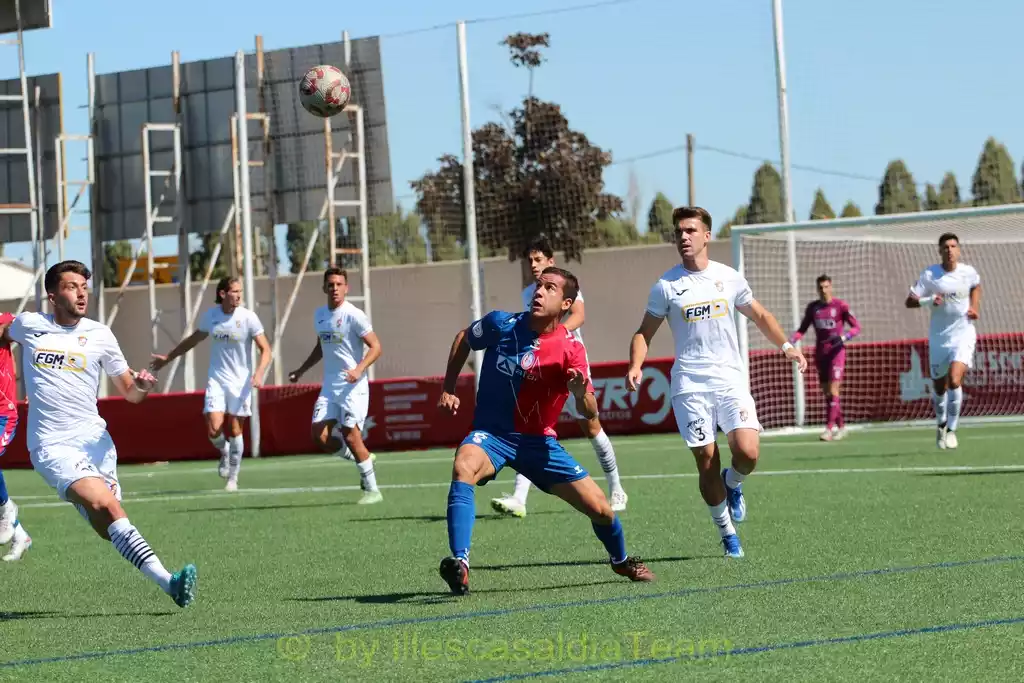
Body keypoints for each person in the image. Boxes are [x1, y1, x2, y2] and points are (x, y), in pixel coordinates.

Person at [436, 266, 655, 595]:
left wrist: (582, 395)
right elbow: (463, 339)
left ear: (566, 304)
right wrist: (448, 387)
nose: (539, 292)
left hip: (539, 445)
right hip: (492, 436)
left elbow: (589, 411)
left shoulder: (570, 349)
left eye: (550, 288)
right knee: (463, 466)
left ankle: (621, 560)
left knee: (602, 510)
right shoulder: (501, 323)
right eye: (539, 286)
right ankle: (461, 565)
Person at [0, 261, 196, 606]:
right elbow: (3, 332)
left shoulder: (101, 335)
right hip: (51, 445)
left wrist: (143, 387)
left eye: (84, 288)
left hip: (96, 444)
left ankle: (161, 577)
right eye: (72, 286)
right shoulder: (30, 325)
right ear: (52, 295)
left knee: (106, 524)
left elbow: (130, 394)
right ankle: (170, 583)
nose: (81, 293)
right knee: (105, 505)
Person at [627, 207, 807, 559]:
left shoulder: (729, 277)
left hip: (729, 379)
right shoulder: (666, 286)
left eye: (691, 230)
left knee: (748, 452)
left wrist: (787, 347)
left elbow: (761, 315)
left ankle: (734, 483)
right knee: (706, 458)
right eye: (679, 231)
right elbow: (643, 332)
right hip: (690, 384)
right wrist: (636, 364)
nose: (683, 237)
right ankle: (727, 533)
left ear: (706, 236)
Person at [490, 237, 628, 518]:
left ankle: (616, 488)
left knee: (590, 427)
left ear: (551, 261)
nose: (534, 265)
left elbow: (579, 315)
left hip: (570, 363)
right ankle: (519, 498)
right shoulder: (530, 292)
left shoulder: (565, 286)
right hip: (541, 365)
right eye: (530, 261)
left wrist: (555, 339)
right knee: (530, 424)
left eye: (539, 260)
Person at [151, 277, 271, 491]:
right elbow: (193, 340)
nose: (238, 295)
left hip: (241, 382)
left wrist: (259, 373)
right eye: (234, 291)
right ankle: (224, 451)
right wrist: (167, 358)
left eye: (240, 291)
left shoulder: (248, 318)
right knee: (214, 427)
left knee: (235, 428)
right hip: (217, 379)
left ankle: (233, 478)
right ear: (223, 294)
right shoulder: (211, 316)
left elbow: (266, 349)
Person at [288, 267, 383, 504]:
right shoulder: (320, 315)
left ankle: (373, 490)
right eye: (330, 285)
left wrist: (359, 370)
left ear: (346, 288)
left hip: (353, 386)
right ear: (324, 288)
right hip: (330, 387)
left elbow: (376, 347)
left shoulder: (354, 315)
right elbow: (322, 346)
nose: (335, 288)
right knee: (319, 436)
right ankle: (362, 459)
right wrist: (301, 370)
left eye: (339, 284)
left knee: (352, 436)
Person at [905, 232, 981, 450]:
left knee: (955, 380)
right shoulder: (930, 275)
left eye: (953, 246)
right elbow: (909, 301)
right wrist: (928, 300)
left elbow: (976, 286)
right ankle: (940, 424)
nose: (950, 250)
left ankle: (952, 429)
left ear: (958, 250)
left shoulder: (968, 272)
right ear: (939, 251)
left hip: (964, 333)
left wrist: (974, 307)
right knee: (939, 387)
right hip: (939, 337)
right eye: (945, 247)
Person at [790, 274, 861, 441]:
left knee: (833, 389)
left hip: (837, 352)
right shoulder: (813, 308)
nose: (823, 290)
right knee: (827, 393)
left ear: (831, 287)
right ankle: (841, 427)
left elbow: (856, 327)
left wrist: (844, 338)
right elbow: (802, 329)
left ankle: (828, 429)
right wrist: (790, 342)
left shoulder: (841, 306)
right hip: (820, 352)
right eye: (820, 288)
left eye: (826, 287)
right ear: (817, 289)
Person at [0, 311, 31, 561]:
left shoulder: (3, 323)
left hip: (3, 414)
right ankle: (20, 533)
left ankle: (6, 510)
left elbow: (14, 329)